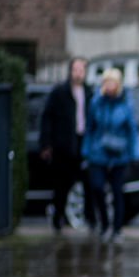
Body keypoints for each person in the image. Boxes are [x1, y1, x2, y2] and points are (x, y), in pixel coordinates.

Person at [82, 68, 139, 244]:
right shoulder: (96, 103)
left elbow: (132, 130)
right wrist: (86, 150)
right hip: (98, 152)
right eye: (106, 82)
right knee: (97, 187)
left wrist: (134, 153)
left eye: (112, 82)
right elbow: (90, 128)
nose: (109, 86)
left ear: (118, 84)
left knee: (117, 192)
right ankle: (104, 224)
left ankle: (117, 229)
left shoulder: (125, 104)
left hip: (119, 154)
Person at [39, 57, 94, 234]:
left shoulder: (90, 92)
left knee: (89, 184)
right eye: (75, 70)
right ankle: (58, 219)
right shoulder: (59, 92)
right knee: (61, 184)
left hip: (84, 142)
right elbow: (47, 118)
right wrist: (47, 144)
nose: (78, 74)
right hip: (63, 144)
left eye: (81, 70)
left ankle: (90, 219)